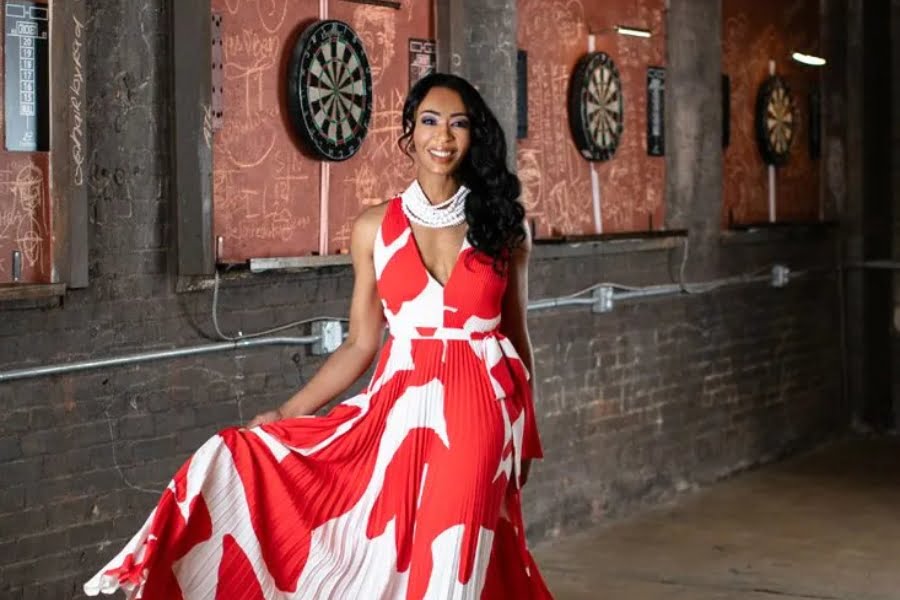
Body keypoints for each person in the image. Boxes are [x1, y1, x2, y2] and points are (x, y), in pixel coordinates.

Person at [84, 72, 552, 599]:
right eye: (429, 121)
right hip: (393, 416)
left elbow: (519, 338)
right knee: (387, 561)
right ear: (408, 132)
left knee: (451, 564)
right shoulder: (374, 228)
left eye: (458, 124)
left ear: (474, 136)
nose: (442, 137)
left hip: (478, 417)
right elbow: (359, 344)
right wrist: (285, 415)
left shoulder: (503, 227)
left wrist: (527, 440)